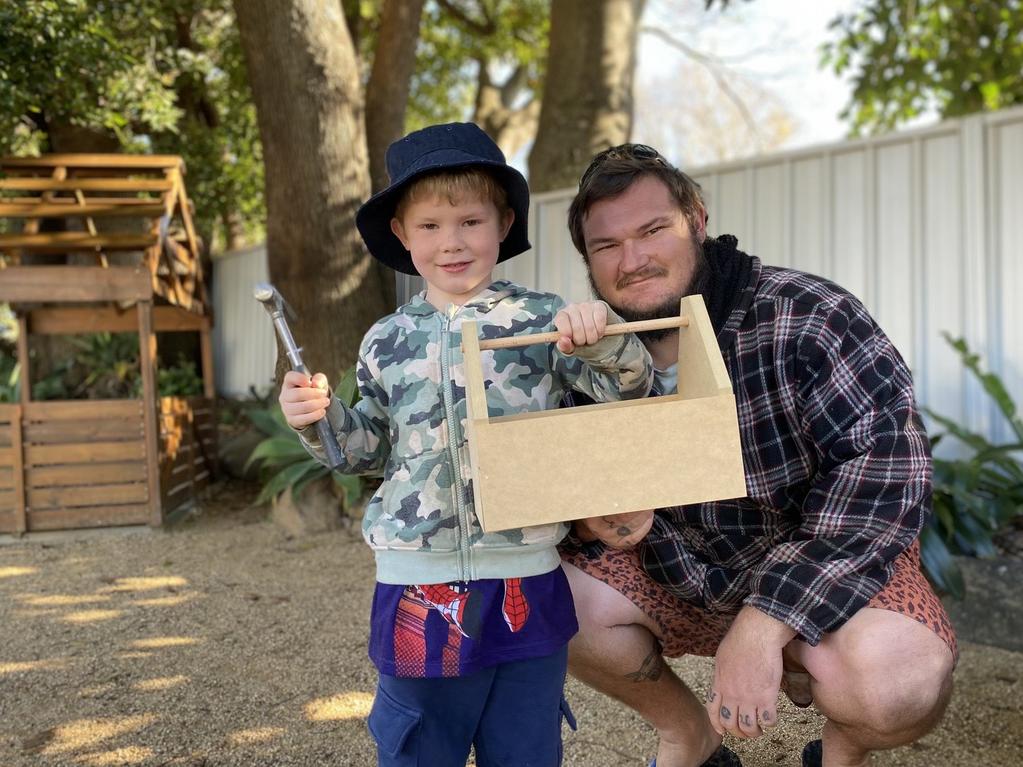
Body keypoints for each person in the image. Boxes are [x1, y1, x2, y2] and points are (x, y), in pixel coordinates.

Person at [558, 144, 956, 767]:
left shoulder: (807, 316)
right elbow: (559, 490)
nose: (631, 260)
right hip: (684, 575)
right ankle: (689, 734)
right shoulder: (590, 355)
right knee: (546, 598)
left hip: (818, 565)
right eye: (607, 246)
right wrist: (595, 519)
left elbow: (883, 478)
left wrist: (767, 620)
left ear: (696, 218)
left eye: (653, 229)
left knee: (899, 683)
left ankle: (839, 754)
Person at [278, 123, 653, 767]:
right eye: (428, 226)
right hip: (417, 580)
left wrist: (605, 337)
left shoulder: (545, 319)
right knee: (423, 742)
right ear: (400, 233)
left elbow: (628, 396)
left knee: (525, 744)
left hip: (526, 572)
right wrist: (317, 418)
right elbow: (364, 450)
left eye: (470, 221)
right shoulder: (384, 340)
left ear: (503, 223)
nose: (451, 242)